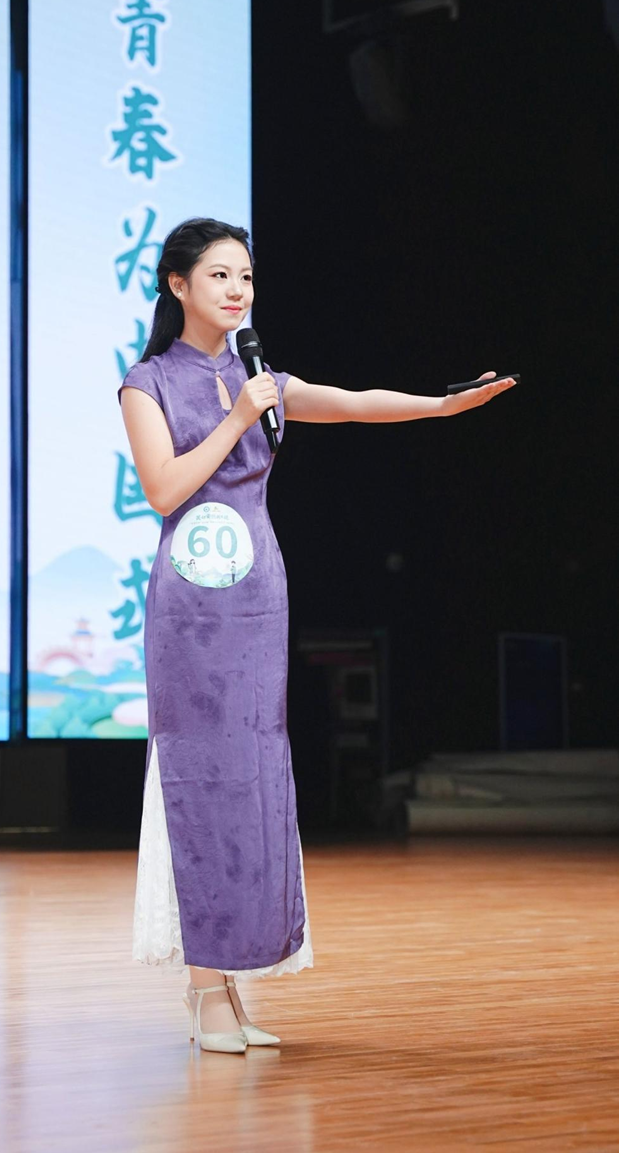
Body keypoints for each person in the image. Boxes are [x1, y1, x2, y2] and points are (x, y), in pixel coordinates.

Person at [117, 216, 515, 1054]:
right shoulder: (147, 383)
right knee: (201, 779)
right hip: (191, 606)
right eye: (219, 275)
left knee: (254, 778)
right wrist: (238, 417)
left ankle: (235, 977)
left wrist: (446, 404)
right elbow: (164, 490)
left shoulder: (260, 375)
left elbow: (358, 404)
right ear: (177, 285)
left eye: (245, 277)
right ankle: (204, 987)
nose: (237, 290)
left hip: (258, 594)